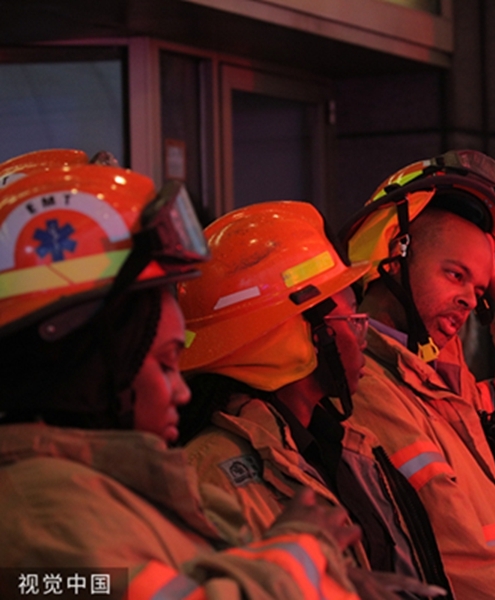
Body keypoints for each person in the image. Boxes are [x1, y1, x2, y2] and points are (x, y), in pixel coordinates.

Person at [0, 162, 361, 599]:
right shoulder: (44, 518)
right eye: (166, 362)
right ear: (93, 368)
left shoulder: (124, 490)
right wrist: (301, 554)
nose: (182, 389)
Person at [176, 201, 448, 598]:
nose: (362, 338)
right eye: (351, 319)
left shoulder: (344, 444)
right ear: (296, 335)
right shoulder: (213, 477)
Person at [340, 149, 495, 599]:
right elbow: (463, 555)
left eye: (479, 288)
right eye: (455, 274)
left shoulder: (437, 377)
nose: (469, 299)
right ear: (393, 254)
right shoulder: (368, 388)